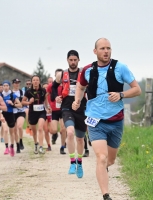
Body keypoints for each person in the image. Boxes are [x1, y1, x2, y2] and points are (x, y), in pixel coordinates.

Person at [72, 38, 141, 200]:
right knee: (101, 157)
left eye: (108, 48)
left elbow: (137, 90)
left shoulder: (120, 67)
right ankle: (106, 195)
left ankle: (105, 167)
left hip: (116, 121)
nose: (106, 51)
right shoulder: (87, 70)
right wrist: (77, 100)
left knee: (110, 160)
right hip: (95, 120)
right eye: (102, 48)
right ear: (95, 51)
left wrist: (121, 95)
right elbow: (81, 87)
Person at [53, 50, 87, 178]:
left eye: (75, 60)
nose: (73, 62)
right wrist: (57, 97)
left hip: (81, 108)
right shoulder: (61, 75)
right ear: (67, 60)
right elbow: (53, 88)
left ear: (78, 60)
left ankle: (80, 163)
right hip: (67, 108)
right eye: (71, 60)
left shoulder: (84, 74)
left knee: (80, 138)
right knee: (70, 132)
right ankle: (72, 162)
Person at [22, 75, 49, 154]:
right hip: (32, 112)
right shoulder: (28, 91)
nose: (35, 81)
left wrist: (47, 108)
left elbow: (45, 100)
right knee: (34, 131)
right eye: (34, 80)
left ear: (39, 81)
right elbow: (22, 102)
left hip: (41, 112)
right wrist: (29, 102)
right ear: (32, 82)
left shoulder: (43, 90)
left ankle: (41, 147)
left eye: (37, 80)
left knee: (40, 128)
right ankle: (36, 144)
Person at [0, 80, 22, 156]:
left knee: (12, 132)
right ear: (2, 87)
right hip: (3, 114)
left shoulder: (13, 95)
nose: (5, 87)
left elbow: (20, 105)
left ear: (9, 87)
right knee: (5, 130)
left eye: (7, 86)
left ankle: (12, 146)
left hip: (11, 114)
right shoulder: (0, 96)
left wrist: (12, 104)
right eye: (4, 86)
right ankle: (6, 147)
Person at [47, 68, 66, 155]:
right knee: (53, 130)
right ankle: (55, 135)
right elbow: (47, 96)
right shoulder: (51, 86)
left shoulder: (65, 84)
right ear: (55, 76)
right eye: (57, 75)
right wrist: (48, 106)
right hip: (54, 110)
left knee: (63, 129)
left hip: (63, 109)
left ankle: (62, 146)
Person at [12, 78, 26, 152]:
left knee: (20, 126)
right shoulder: (10, 93)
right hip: (13, 113)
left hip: (21, 112)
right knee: (14, 130)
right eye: (15, 83)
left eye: (18, 83)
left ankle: (21, 140)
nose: (17, 84)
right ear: (13, 84)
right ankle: (17, 145)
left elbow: (24, 102)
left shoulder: (22, 92)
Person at [42, 82, 52, 151]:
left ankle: (55, 135)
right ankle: (49, 145)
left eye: (46, 87)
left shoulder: (52, 95)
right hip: (44, 115)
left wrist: (51, 110)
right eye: (44, 87)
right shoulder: (41, 96)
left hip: (51, 115)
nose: (45, 89)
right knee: (46, 130)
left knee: (52, 130)